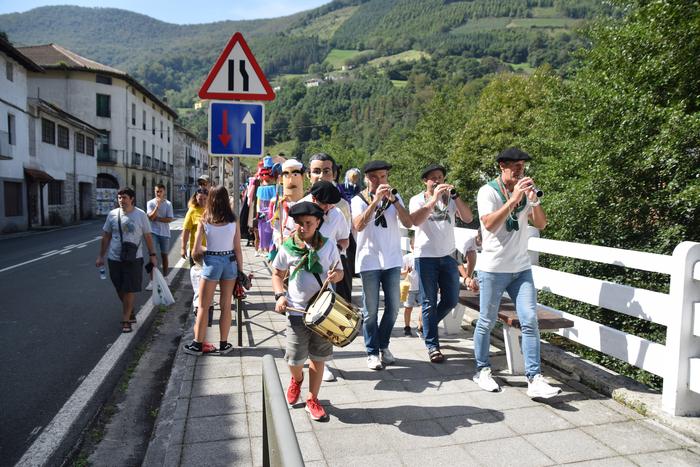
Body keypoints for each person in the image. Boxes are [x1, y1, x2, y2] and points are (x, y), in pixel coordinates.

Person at [473, 147, 561, 399]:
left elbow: (541, 224)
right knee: (486, 321)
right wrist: (513, 199)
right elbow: (488, 224)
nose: (520, 170)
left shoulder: (525, 193)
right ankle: (482, 370)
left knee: (529, 320)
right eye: (515, 166)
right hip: (493, 269)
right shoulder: (488, 191)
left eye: (522, 166)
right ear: (502, 166)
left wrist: (534, 200)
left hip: (521, 268)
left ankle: (534, 378)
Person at [271, 202, 344, 421]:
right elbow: (277, 273)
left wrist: (336, 276)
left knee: (319, 356)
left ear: (318, 222)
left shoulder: (329, 246)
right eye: (300, 223)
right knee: (294, 359)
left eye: (308, 223)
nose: (303, 227)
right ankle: (297, 379)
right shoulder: (287, 247)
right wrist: (279, 295)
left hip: (323, 312)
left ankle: (313, 398)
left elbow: (339, 271)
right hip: (296, 311)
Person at [351, 160, 413, 370]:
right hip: (369, 260)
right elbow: (358, 225)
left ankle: (383, 345)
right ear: (367, 178)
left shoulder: (396, 197)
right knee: (370, 310)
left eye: (383, 176)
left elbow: (408, 223)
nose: (380, 181)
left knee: (394, 307)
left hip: (392, 259)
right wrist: (375, 201)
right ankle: (371, 351)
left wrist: (395, 202)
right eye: (375, 177)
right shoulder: (358, 199)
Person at [409, 163, 473, 363]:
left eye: (440, 177)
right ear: (425, 181)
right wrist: (434, 199)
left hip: (448, 256)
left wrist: (456, 196)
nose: (438, 181)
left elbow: (469, 218)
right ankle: (433, 346)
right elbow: (415, 222)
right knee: (428, 301)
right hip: (425, 256)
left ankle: (426, 326)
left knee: (451, 299)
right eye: (433, 178)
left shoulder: (451, 200)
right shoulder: (417, 199)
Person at [183, 185, 244, 356]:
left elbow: (196, 251)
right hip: (230, 262)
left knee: (203, 305)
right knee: (226, 306)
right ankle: (224, 344)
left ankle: (197, 344)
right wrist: (240, 270)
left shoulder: (205, 219)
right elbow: (238, 248)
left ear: (210, 199)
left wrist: (208, 248)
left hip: (212, 262)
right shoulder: (234, 220)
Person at [96, 187, 158, 333]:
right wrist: (101, 256)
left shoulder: (140, 215)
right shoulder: (112, 215)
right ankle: (129, 309)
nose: (121, 200)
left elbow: (148, 236)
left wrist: (153, 255)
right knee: (119, 287)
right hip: (114, 258)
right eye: (119, 198)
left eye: (124, 197)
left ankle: (126, 320)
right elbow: (106, 236)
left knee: (129, 288)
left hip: (134, 258)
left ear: (132, 199)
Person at [146, 184, 174, 276]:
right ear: (154, 191)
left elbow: (169, 219)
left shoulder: (168, 204)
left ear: (164, 192)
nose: (158, 193)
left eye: (160, 191)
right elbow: (150, 217)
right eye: (157, 191)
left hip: (165, 233)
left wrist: (157, 218)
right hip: (153, 232)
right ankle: (152, 280)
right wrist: (157, 207)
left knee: (164, 255)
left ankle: (165, 276)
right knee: (152, 255)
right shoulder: (150, 203)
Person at [400, 235, 422, 337]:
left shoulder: (423, 257)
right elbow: (400, 272)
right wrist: (405, 271)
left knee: (423, 307)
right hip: (410, 287)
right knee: (408, 308)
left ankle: (420, 326)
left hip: (422, 287)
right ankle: (407, 326)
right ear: (411, 246)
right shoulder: (407, 257)